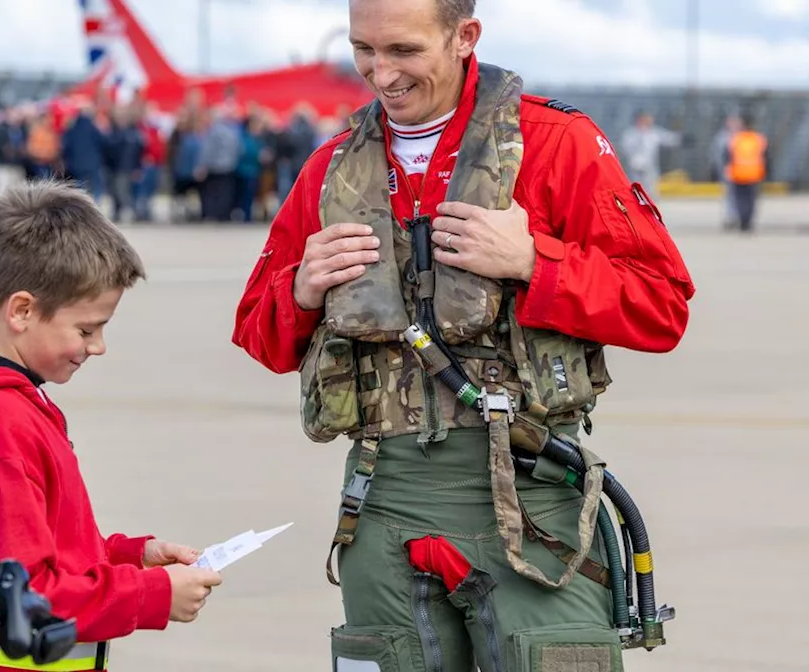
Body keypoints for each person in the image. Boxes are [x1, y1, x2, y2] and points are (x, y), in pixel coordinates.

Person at [231, 1, 695, 670]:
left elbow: (662, 304)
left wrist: (536, 262)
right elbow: (258, 332)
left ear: (464, 36)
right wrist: (301, 290)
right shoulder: (333, 168)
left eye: (403, 51)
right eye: (363, 49)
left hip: (530, 494)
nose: (379, 72)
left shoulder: (556, 144)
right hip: (382, 498)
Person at [0, 180, 223, 672]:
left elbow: (41, 549)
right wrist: (152, 596)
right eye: (86, 329)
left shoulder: (2, 402)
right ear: (23, 311)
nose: (97, 347)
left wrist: (133, 557)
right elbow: (24, 592)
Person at [723, 114, 767, 234]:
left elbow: (727, 157)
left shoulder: (735, 139)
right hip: (754, 174)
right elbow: (766, 156)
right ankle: (748, 221)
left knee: (739, 200)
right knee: (751, 200)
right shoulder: (759, 139)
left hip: (738, 174)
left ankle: (742, 221)